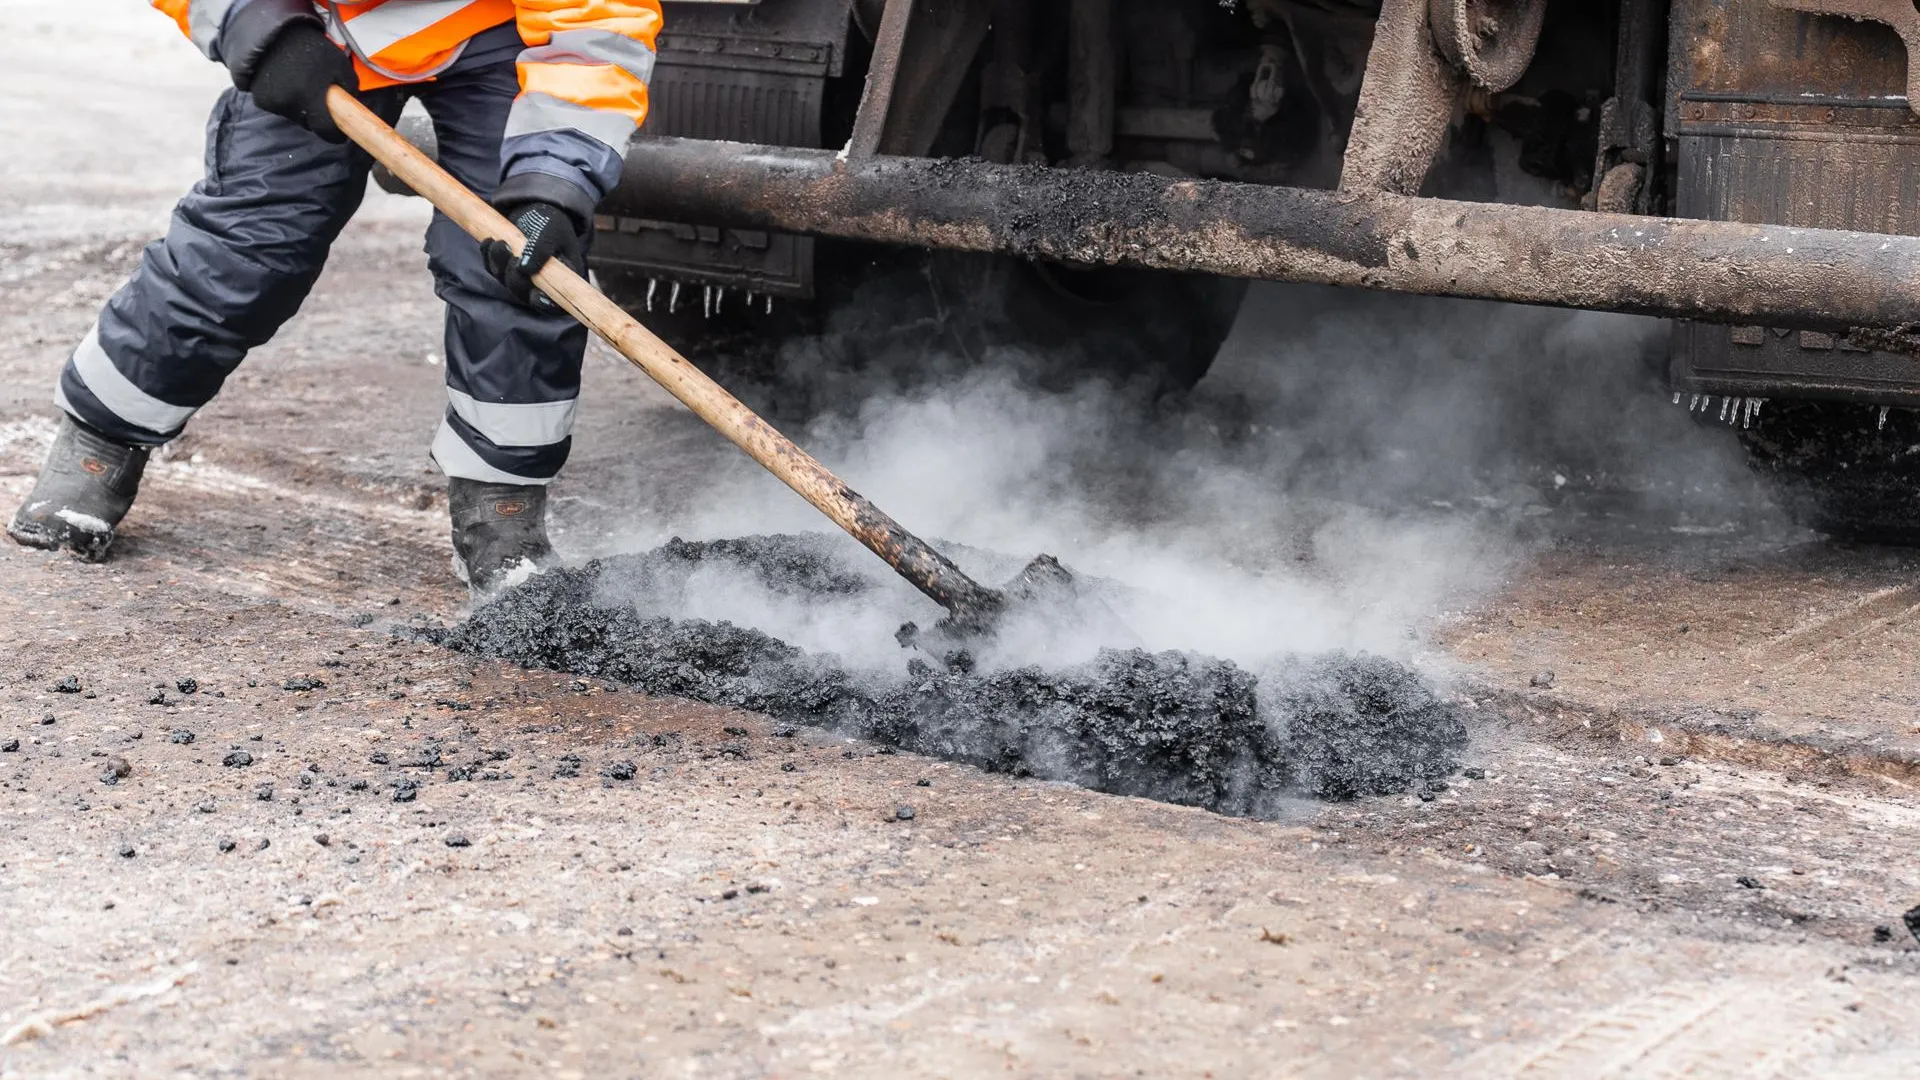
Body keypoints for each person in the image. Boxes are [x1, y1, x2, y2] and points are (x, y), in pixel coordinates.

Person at [8, 0, 662, 593]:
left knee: (520, 268)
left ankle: (504, 510)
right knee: (244, 253)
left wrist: (554, 178)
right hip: (310, 22)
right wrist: (253, 22)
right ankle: (101, 437)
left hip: (503, 31)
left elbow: (598, 20)